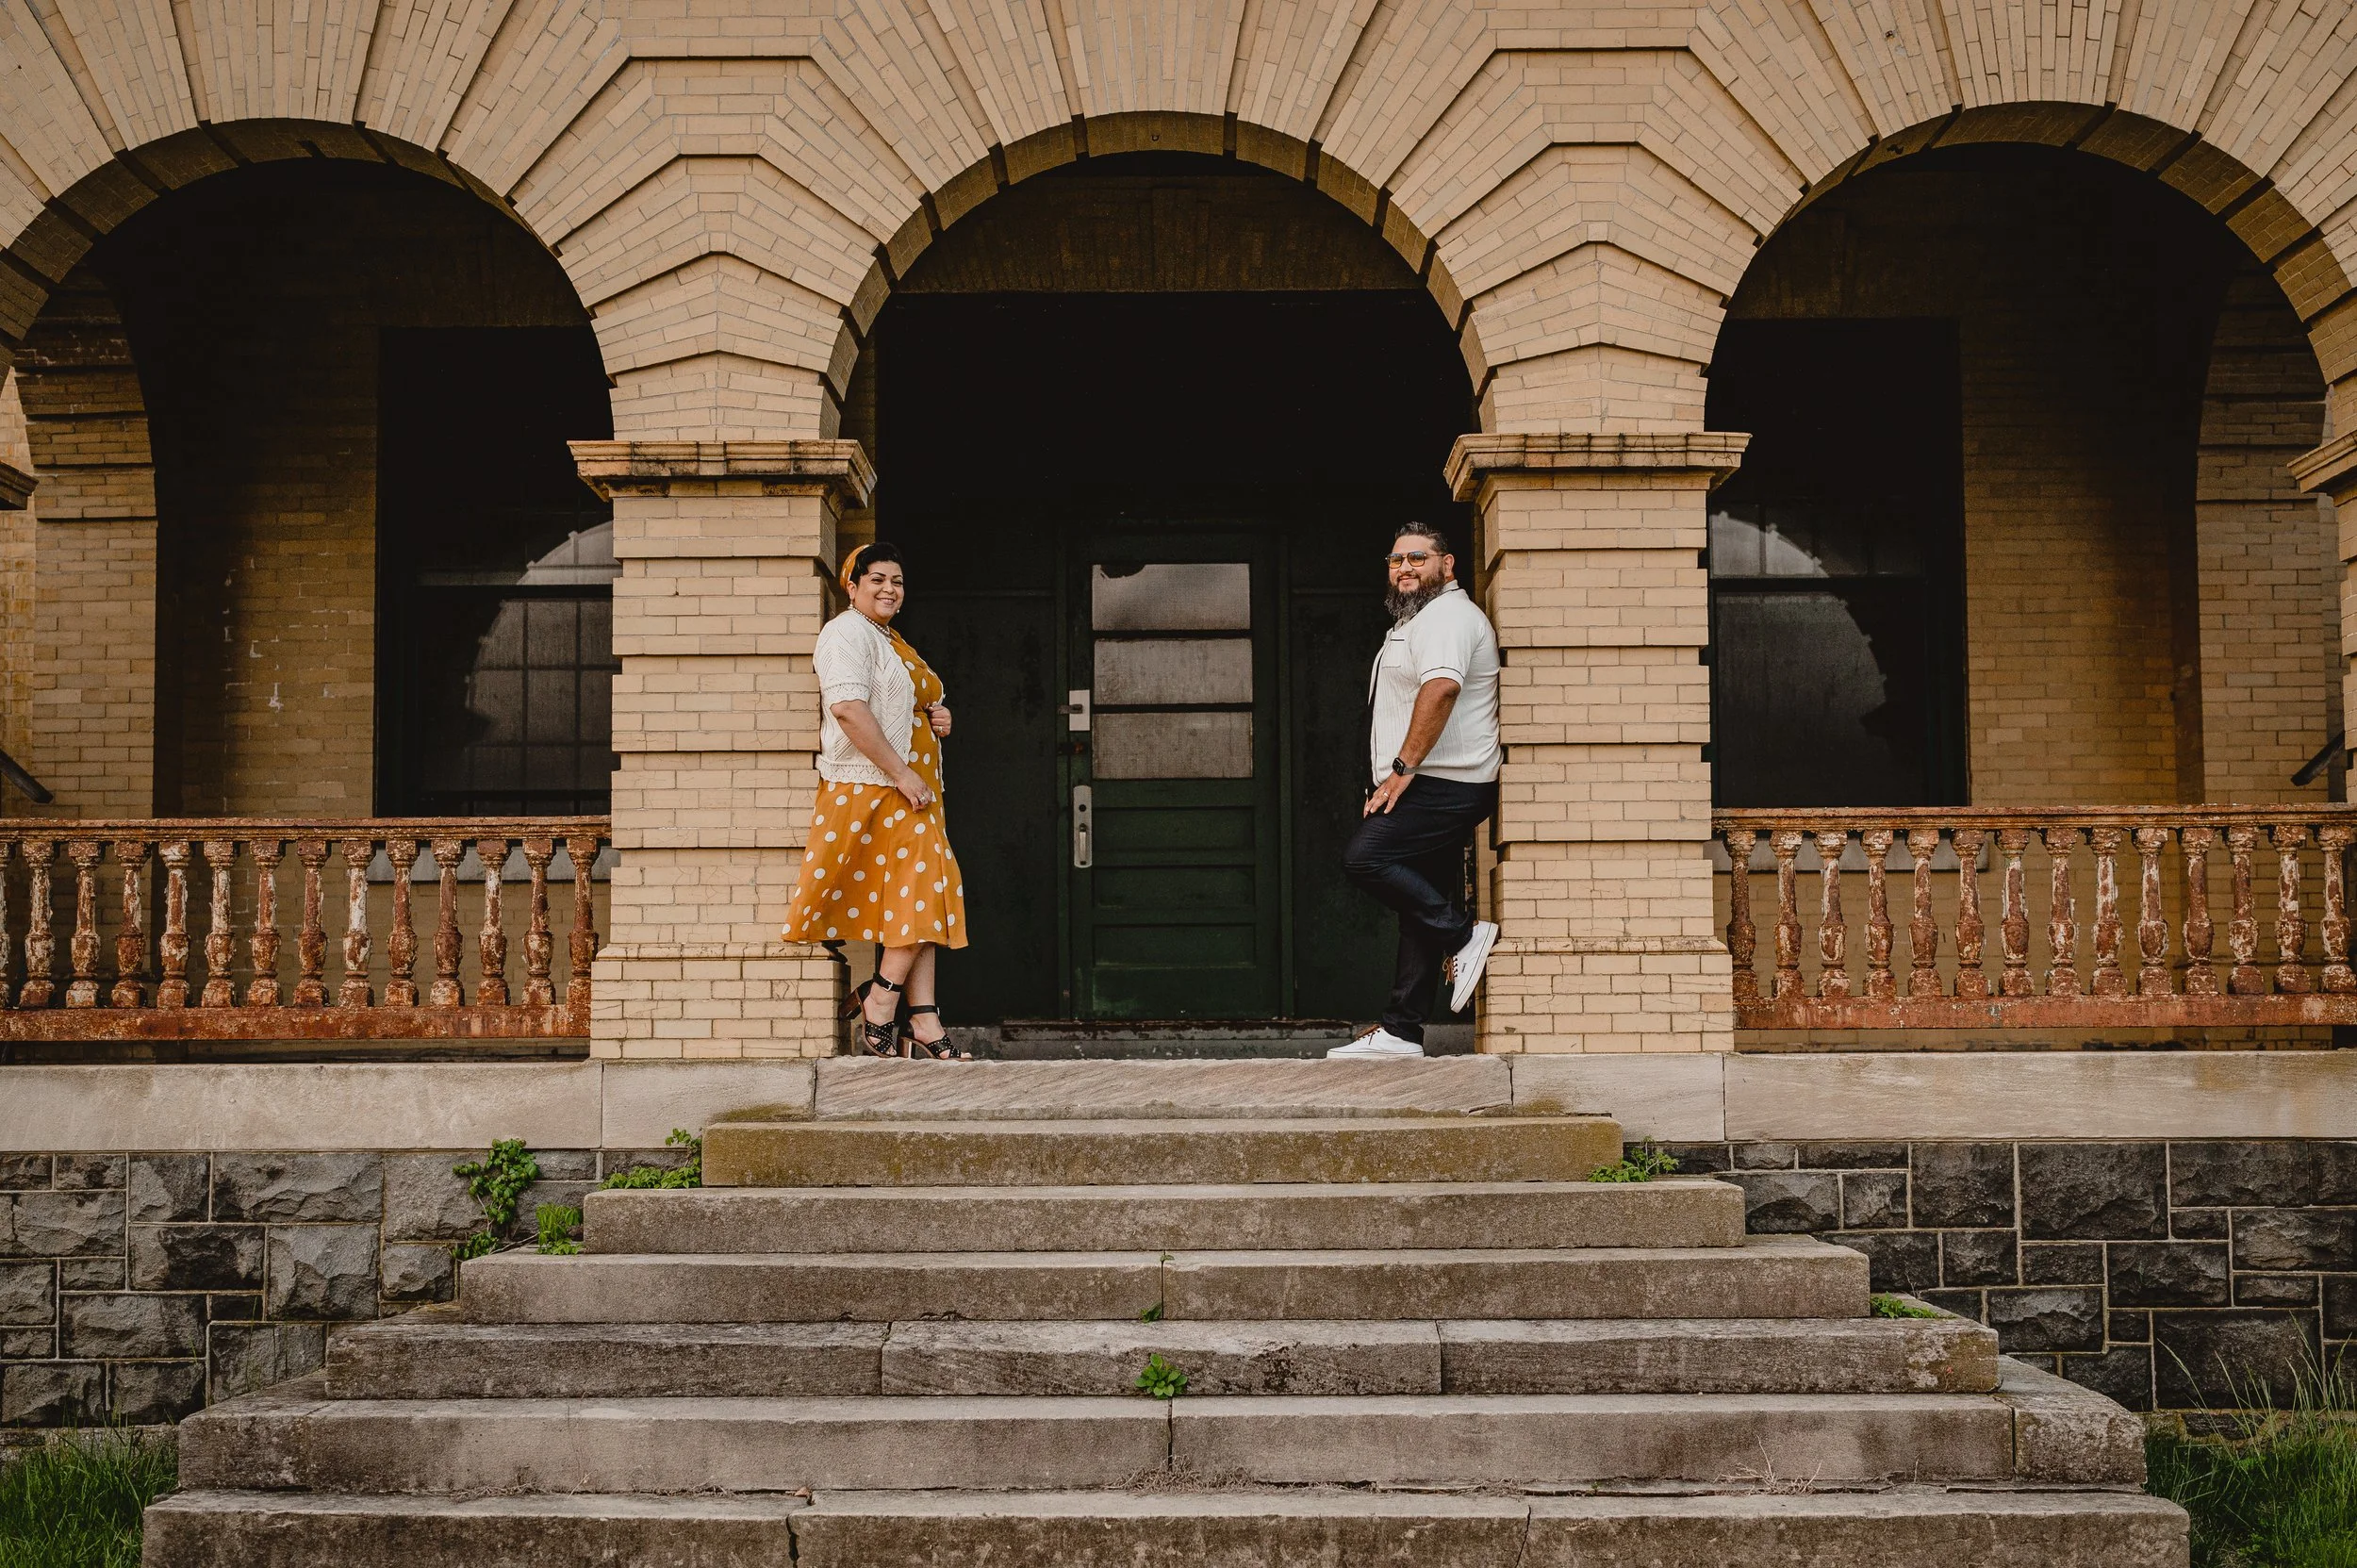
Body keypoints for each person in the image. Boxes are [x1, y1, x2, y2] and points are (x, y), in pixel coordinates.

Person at [781, 541, 971, 1059]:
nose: (890, 589)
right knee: (928, 887)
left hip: (909, 790)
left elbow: (908, 700)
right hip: (878, 787)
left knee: (917, 901)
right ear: (853, 585)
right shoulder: (845, 632)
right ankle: (882, 999)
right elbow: (847, 708)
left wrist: (936, 717)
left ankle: (924, 1017)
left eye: (898, 582)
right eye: (878, 580)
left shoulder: (888, 638)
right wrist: (902, 774)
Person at [1328, 524, 1502, 1059]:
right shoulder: (1419, 620)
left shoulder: (1448, 617)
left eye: (1417, 558)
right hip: (1435, 781)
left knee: (1366, 857)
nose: (1404, 567)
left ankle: (1464, 935)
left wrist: (1402, 768)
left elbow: (1442, 687)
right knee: (1418, 904)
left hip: (1446, 783)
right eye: (1396, 559)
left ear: (1447, 565)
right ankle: (1402, 1031)